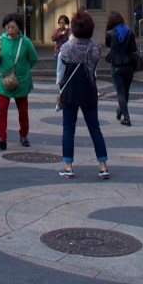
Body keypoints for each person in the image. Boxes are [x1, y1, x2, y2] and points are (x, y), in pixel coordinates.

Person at [56, 10, 109, 179]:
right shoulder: (95, 48)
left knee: (68, 129)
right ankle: (103, 166)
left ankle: (68, 166)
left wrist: (60, 90)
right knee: (95, 128)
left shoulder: (66, 48)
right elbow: (93, 67)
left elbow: (60, 73)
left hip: (70, 92)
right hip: (89, 90)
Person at [0, 12, 38, 151]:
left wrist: (24, 71)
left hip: (21, 81)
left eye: (13, 27)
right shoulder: (1, 40)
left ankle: (23, 134)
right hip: (4, 80)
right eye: (7, 27)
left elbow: (33, 59)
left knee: (23, 111)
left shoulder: (26, 42)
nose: (10, 30)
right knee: (2, 109)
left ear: (19, 28)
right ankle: (1, 137)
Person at [105, 10, 138, 126]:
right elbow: (134, 48)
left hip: (116, 64)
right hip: (129, 64)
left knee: (120, 92)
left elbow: (108, 44)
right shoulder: (129, 31)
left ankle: (127, 117)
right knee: (126, 91)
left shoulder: (110, 33)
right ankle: (120, 111)